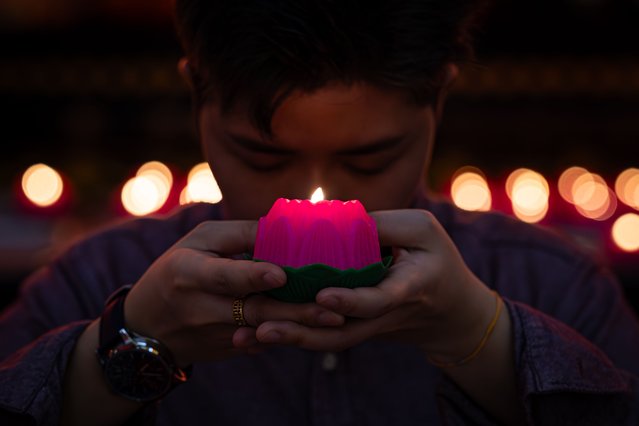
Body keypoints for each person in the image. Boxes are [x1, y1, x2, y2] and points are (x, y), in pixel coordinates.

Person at [1, 0, 638, 424]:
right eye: (260, 157)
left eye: (369, 161)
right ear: (197, 94)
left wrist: (483, 339)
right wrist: (128, 348)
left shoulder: (554, 286)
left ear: (437, 103)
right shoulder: (96, 279)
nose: (323, 199)